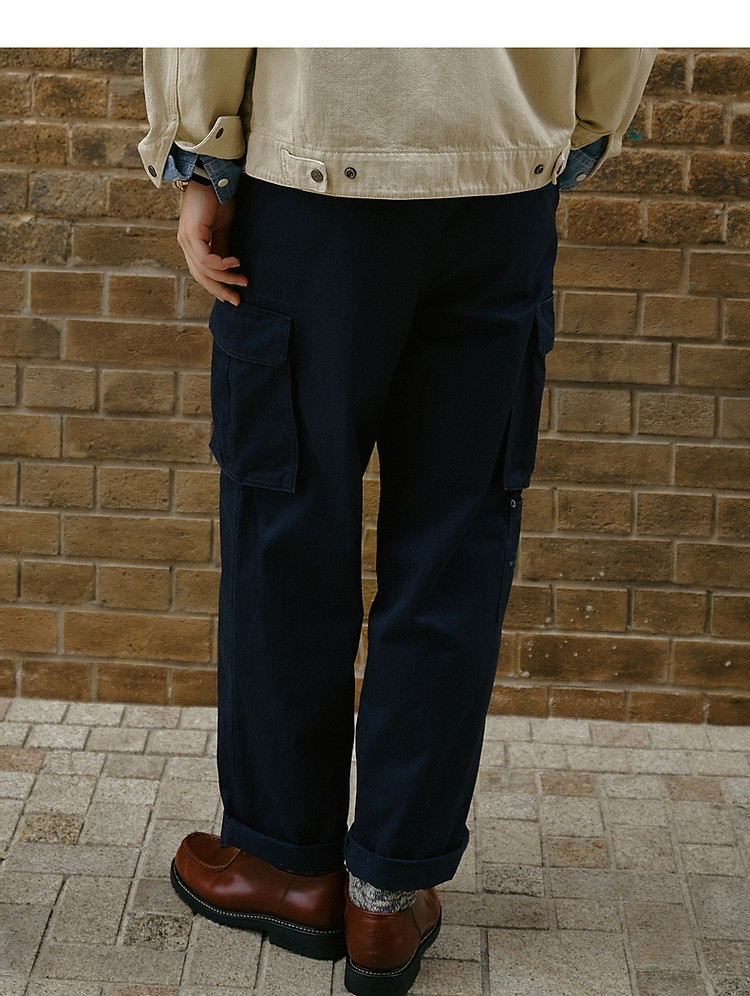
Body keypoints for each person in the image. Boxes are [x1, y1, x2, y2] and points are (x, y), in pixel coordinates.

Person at [139, 48, 655, 996]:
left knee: (286, 531)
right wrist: (575, 133)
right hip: (500, 186)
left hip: (312, 184)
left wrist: (202, 159)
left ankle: (287, 864)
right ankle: (387, 890)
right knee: (455, 543)